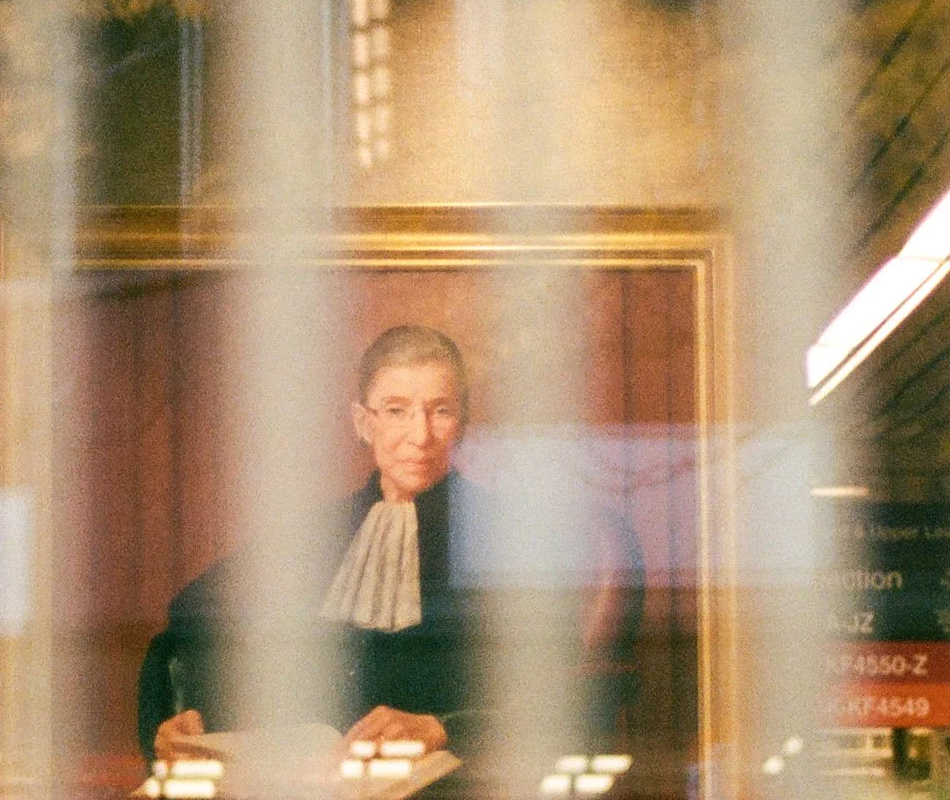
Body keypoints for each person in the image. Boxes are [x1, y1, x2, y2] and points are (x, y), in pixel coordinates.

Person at [137, 323, 639, 768]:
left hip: (458, 798)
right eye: (396, 411)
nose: (420, 435)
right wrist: (184, 718)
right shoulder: (316, 537)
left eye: (440, 411)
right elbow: (186, 635)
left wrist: (443, 728)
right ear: (363, 422)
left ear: (462, 423)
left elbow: (571, 691)